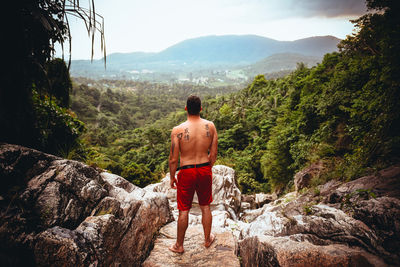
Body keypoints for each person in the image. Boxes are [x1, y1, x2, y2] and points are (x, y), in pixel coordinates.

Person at [168, 95, 218, 254]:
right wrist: (207, 167)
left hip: (186, 170)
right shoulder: (210, 126)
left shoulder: (177, 130)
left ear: (186, 109)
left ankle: (179, 245)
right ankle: (207, 239)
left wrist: (172, 176)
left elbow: (173, 159)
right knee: (205, 206)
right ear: (201, 109)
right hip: (204, 168)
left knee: (184, 209)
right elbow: (214, 154)